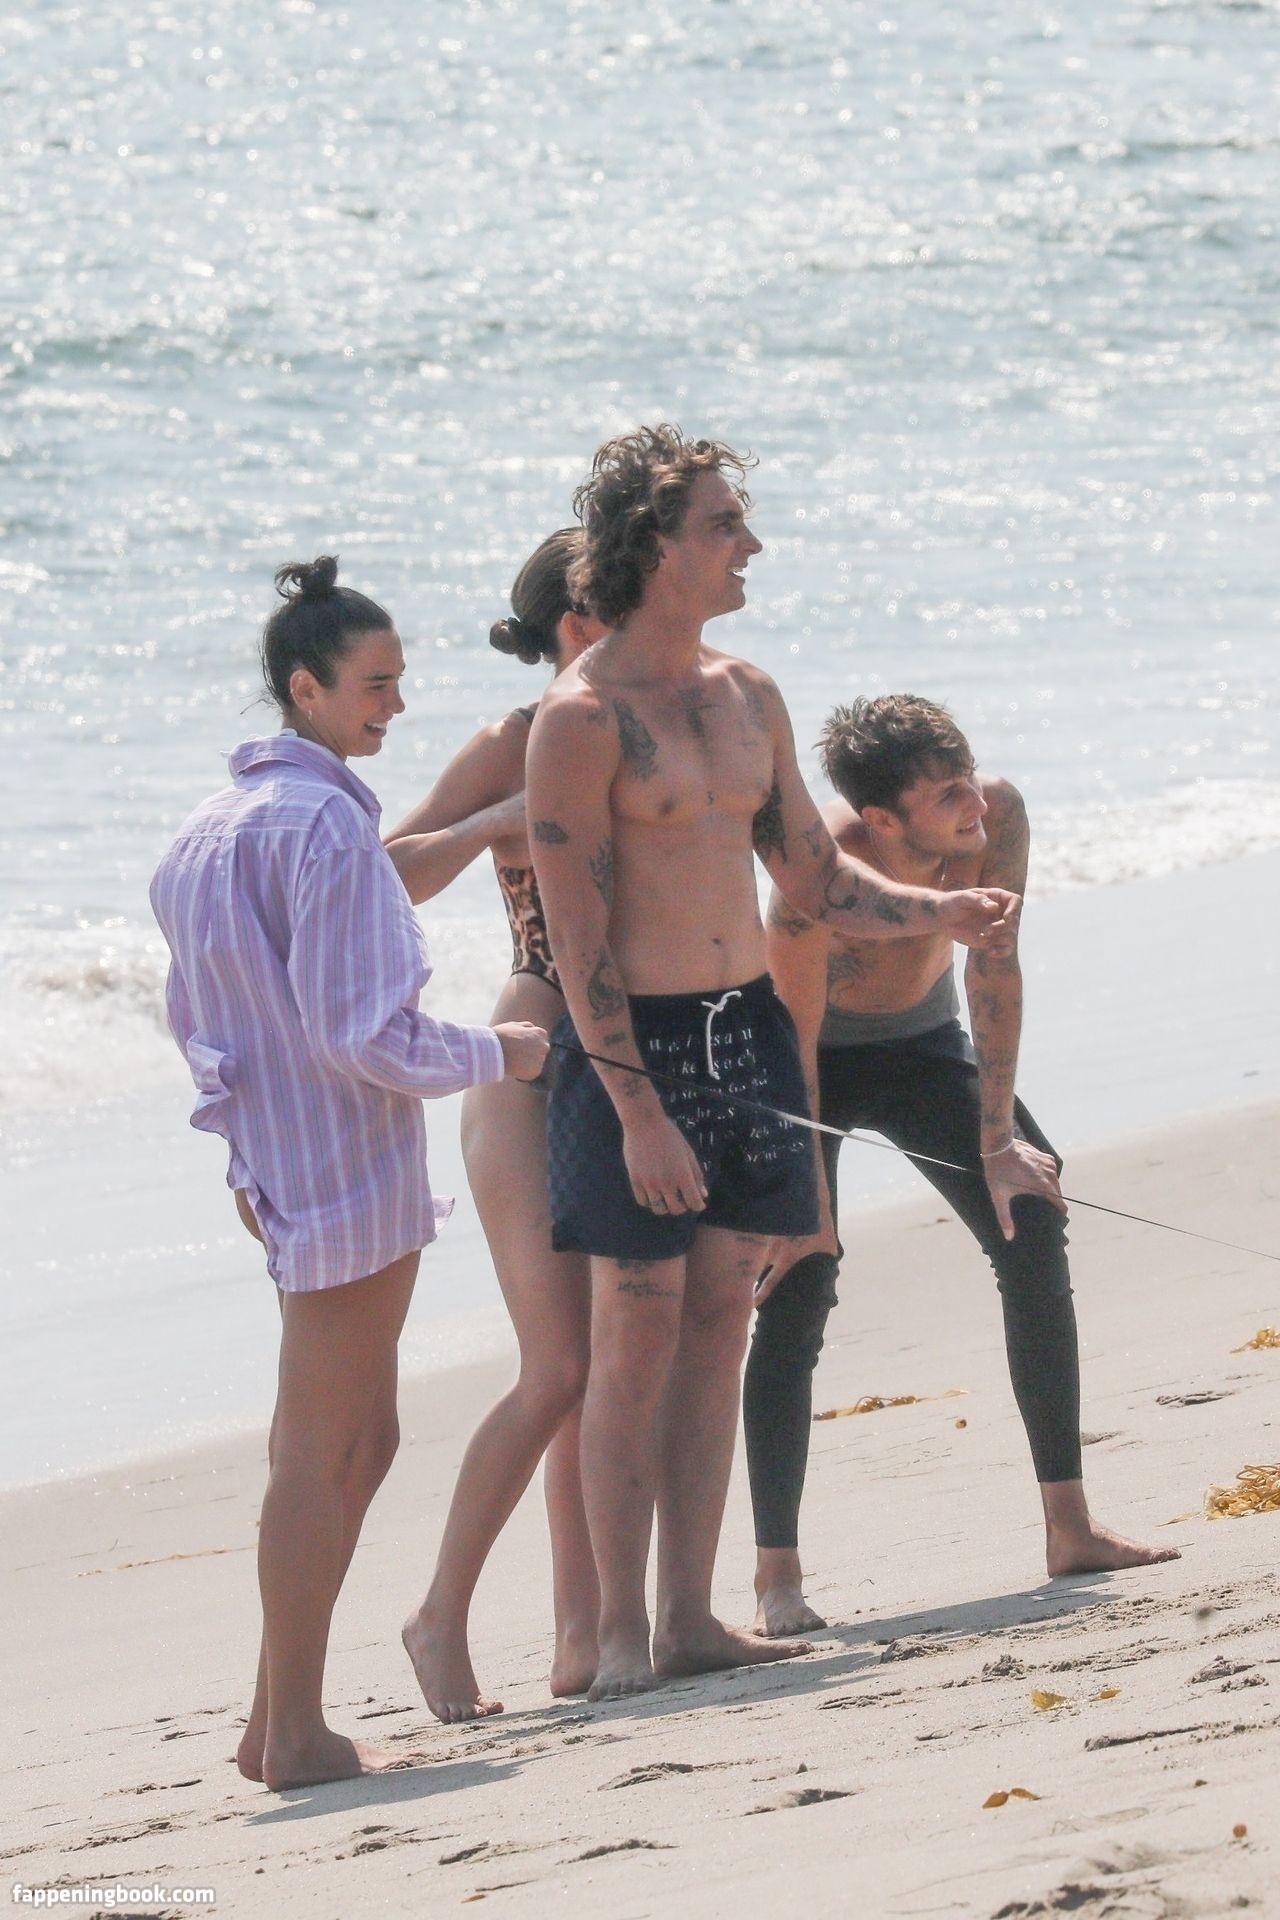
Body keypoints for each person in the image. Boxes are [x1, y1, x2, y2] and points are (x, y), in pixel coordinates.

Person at [525, 426, 1021, 1701]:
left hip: (741, 1026)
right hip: (634, 1051)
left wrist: (937, 912)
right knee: (633, 1333)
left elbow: (809, 872)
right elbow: (577, 935)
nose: (749, 544)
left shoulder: (747, 694)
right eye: (722, 525)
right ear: (654, 547)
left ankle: (688, 1617)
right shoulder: (578, 719)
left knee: (715, 1326)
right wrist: (633, 1109)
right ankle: (618, 1635)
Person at [149, 557, 548, 1790]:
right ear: (304, 688)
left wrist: (244, 1147)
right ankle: (294, 1736)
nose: (396, 705)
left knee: (354, 1440)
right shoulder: (321, 823)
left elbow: (198, 1019)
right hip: (341, 1163)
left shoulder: (206, 829)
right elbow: (361, 1035)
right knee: (324, 1450)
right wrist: (502, 1050)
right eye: (374, 686)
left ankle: (275, 1721)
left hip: (280, 1162)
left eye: (399, 681)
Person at [745, 693, 1177, 1640]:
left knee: (1032, 1217)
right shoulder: (817, 872)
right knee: (800, 1274)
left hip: (924, 1046)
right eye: (947, 796)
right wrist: (801, 1197)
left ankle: (1069, 1526)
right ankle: (777, 1576)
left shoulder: (997, 816)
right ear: (881, 819)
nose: (973, 805)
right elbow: (792, 1037)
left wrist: (997, 1142)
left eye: (968, 779)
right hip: (807, 1063)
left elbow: (993, 970)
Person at [384, 530, 608, 1722]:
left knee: (617, 1358)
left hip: (648, 1055)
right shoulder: (513, 737)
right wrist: (500, 819)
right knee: (557, 1365)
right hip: (531, 1056)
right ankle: (437, 1615)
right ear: (575, 621)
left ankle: (584, 1636)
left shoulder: (663, 719)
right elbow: (381, 871)